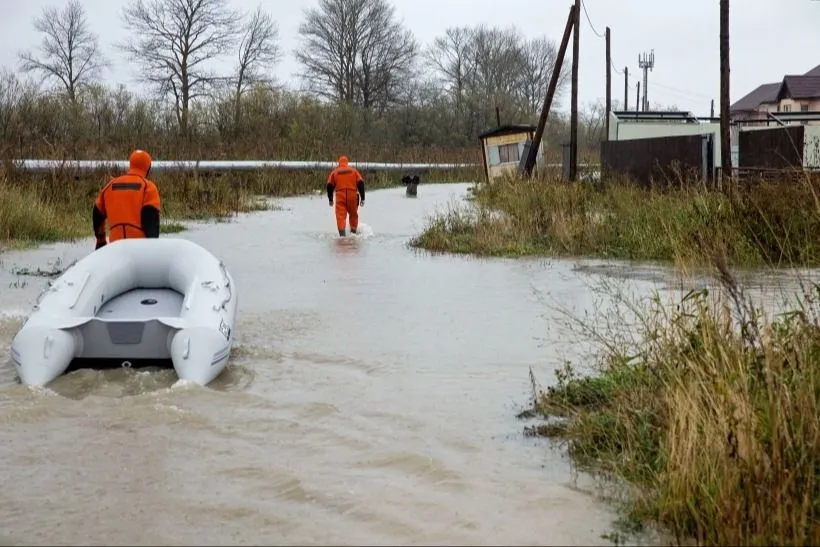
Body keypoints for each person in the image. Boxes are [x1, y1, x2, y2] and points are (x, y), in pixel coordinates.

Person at [92, 149, 161, 250]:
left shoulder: (110, 185)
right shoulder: (148, 187)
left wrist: (100, 240)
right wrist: (152, 248)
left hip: (116, 246)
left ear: (131, 165)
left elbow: (97, 213)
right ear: (148, 168)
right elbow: (150, 218)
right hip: (140, 247)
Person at [326, 155, 365, 237]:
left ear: (339, 163)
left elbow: (329, 185)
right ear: (347, 163)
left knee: (340, 216)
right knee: (353, 215)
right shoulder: (353, 171)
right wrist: (363, 198)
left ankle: (342, 236)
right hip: (352, 196)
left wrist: (330, 199)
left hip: (340, 197)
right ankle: (353, 234)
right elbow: (360, 183)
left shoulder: (335, 172)